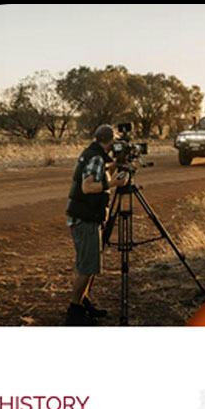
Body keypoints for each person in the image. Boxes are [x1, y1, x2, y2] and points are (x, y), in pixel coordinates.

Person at [65, 124, 118, 324]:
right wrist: (113, 184)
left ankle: (83, 302)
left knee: (85, 265)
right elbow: (88, 187)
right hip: (85, 219)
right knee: (87, 267)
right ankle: (74, 311)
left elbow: (100, 178)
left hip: (83, 216)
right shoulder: (96, 157)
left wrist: (114, 167)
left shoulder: (92, 154)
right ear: (110, 141)